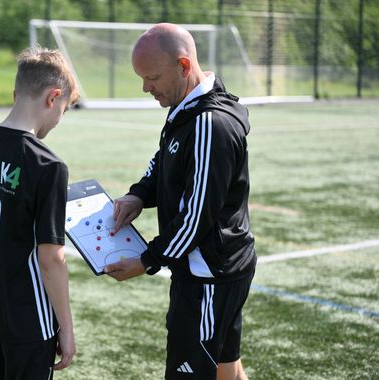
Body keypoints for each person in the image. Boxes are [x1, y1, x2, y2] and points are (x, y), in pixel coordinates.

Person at [105, 23, 256, 380]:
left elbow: (196, 218)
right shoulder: (186, 108)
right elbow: (164, 161)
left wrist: (147, 260)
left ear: (184, 66)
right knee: (226, 370)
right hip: (220, 270)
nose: (146, 87)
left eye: (152, 77)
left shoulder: (209, 123)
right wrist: (139, 194)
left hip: (209, 277)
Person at [0, 47, 80, 380]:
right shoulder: (48, 165)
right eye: (64, 109)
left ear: (16, 93)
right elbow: (51, 257)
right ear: (53, 98)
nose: (59, 120)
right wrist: (65, 329)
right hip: (27, 320)